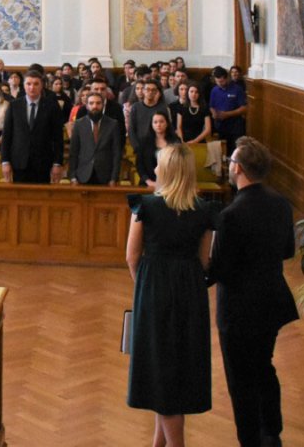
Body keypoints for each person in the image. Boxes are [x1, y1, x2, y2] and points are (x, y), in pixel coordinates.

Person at [126, 143, 216, 447]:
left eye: (158, 165)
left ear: (166, 171)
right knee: (175, 370)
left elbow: (131, 256)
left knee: (159, 369)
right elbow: (205, 261)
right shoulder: (204, 211)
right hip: (191, 291)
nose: (153, 170)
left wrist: (144, 286)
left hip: (154, 288)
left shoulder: (146, 207)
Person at [210, 137, 298, 447]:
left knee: (240, 380)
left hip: (237, 310)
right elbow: (287, 251)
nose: (229, 166)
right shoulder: (281, 204)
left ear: (239, 169)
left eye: (232, 161)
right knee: (263, 366)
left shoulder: (231, 214)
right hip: (272, 302)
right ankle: (271, 433)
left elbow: (218, 268)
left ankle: (249, 440)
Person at [0, 71, 64, 184]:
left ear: (42, 85)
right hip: (19, 162)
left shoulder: (52, 106)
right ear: (23, 85)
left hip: (43, 163)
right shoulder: (14, 106)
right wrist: (5, 161)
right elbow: (7, 135)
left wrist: (57, 163)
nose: (32, 87)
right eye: (28, 84)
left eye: (36, 84)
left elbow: (58, 138)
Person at [67, 91, 123, 185]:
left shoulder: (113, 124)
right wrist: (72, 176)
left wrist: (114, 177)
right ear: (86, 105)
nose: (95, 106)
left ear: (103, 105)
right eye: (91, 103)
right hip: (82, 175)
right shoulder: (79, 124)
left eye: (98, 103)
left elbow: (117, 153)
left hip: (106, 176)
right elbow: (74, 152)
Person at [135, 111, 181, 187]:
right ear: (151, 125)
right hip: (148, 183)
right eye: (155, 122)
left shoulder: (175, 141)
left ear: (167, 123)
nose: (158, 125)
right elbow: (139, 164)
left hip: (171, 184)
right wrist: (149, 182)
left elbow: (180, 164)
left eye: (161, 122)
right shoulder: (144, 142)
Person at [210, 67, 248, 154]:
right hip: (221, 125)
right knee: (222, 150)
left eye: (221, 81)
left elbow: (244, 108)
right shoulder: (214, 90)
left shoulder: (237, 89)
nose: (219, 84)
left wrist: (228, 114)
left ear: (226, 78)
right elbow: (211, 106)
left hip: (235, 125)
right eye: (217, 82)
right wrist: (213, 113)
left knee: (235, 150)